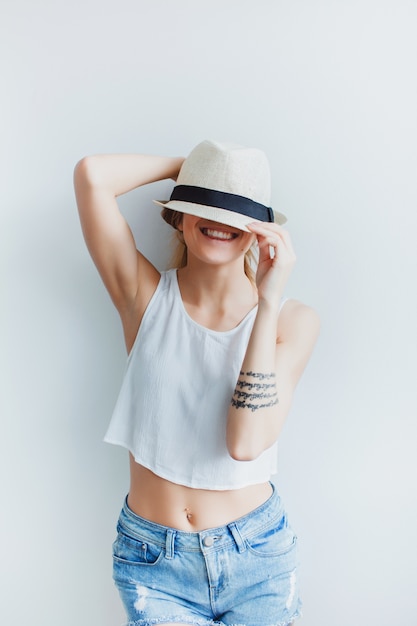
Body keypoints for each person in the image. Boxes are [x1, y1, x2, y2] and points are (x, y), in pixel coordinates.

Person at [74, 139, 320, 626]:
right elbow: (91, 176)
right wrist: (189, 170)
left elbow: (245, 443)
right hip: (154, 565)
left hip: (259, 561)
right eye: (203, 203)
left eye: (237, 211)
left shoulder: (294, 321)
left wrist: (268, 301)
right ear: (178, 216)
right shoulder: (143, 297)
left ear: (258, 232)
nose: (219, 218)